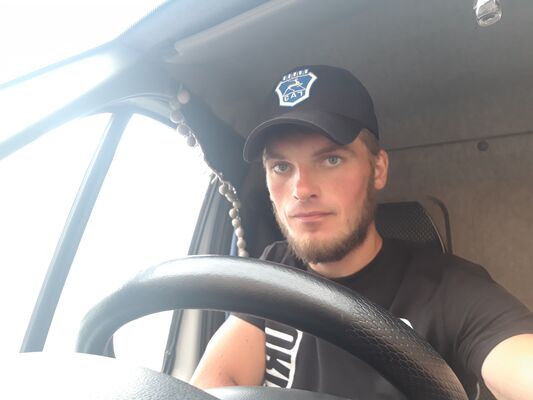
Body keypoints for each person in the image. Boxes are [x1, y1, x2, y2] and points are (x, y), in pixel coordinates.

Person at [190, 65, 533, 399]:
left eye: (331, 160)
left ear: (378, 169)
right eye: (281, 166)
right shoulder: (274, 266)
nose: (301, 189)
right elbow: (217, 380)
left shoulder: (450, 291)